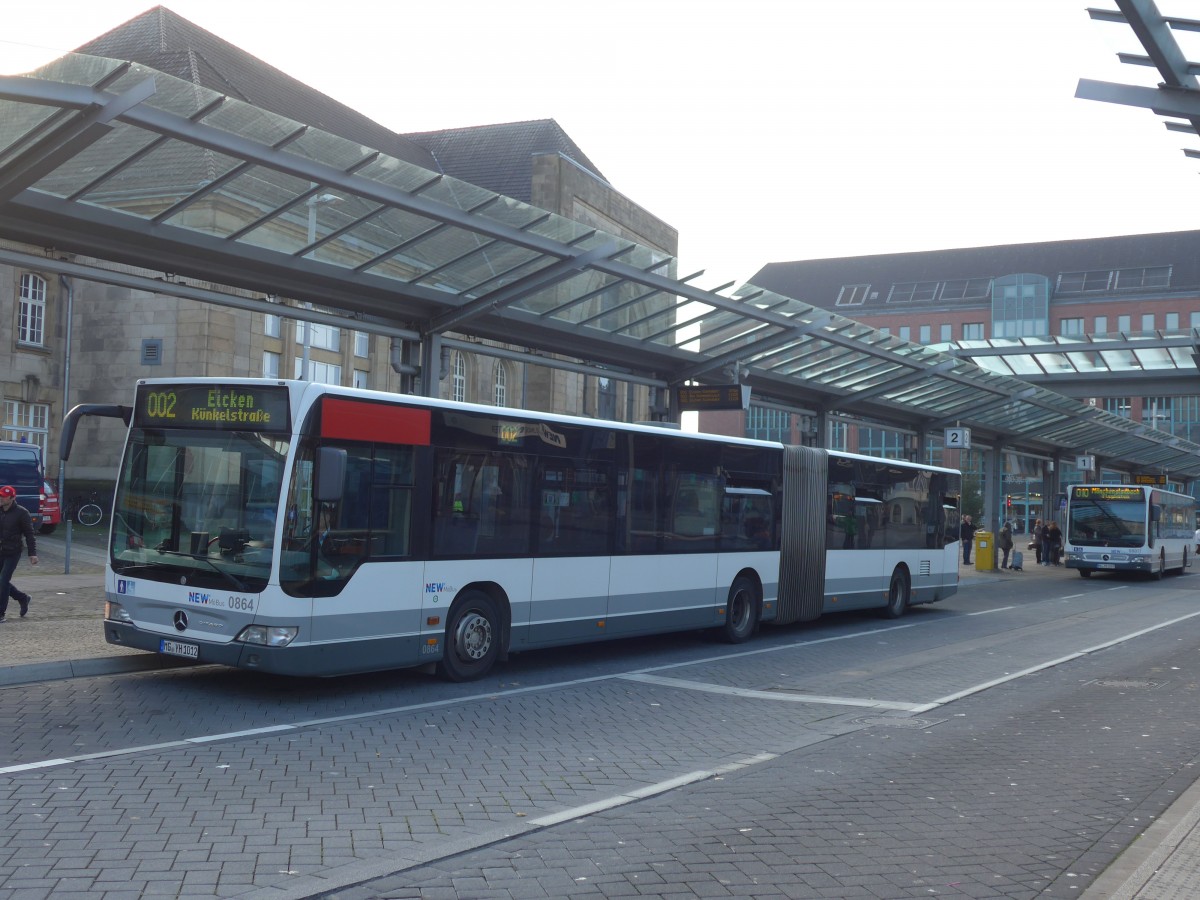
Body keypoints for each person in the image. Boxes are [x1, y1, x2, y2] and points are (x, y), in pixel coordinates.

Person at [0, 484, 38, 622]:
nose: (1, 498)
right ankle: (23, 598)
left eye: (4, 496)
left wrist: (32, 553)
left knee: (3, 581)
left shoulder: (22, 513)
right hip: (0, 550)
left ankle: (1, 613)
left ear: (12, 498)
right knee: (1, 582)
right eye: (0, 495)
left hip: (13, 552)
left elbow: (29, 534)